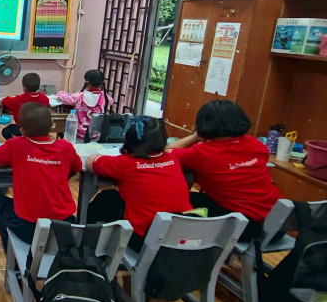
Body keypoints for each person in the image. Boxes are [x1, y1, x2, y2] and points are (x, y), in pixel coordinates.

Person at [166, 100, 281, 241]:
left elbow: (167, 152)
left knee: (176, 200)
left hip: (247, 228)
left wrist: (196, 136)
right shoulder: (256, 143)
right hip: (279, 223)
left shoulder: (202, 152)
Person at [0, 103, 81, 251]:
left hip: (28, 227)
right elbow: (77, 168)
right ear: (52, 123)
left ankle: (12, 251)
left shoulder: (15, 145)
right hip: (63, 226)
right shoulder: (66, 147)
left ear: (22, 130)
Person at [85, 116, 192, 251]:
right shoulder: (173, 159)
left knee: (105, 199)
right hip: (181, 236)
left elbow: (90, 161)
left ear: (129, 140)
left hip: (145, 241)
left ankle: (88, 247)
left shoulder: (126, 164)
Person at [55, 69, 114, 140]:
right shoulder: (105, 96)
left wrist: (61, 93)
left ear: (87, 82)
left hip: (79, 134)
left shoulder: (79, 96)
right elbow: (111, 101)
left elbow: (62, 97)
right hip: (96, 134)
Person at [0, 72, 50, 140]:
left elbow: (3, 101)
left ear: (24, 87)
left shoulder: (17, 100)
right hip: (40, 130)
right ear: (38, 86)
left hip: (23, 129)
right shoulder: (45, 98)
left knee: (6, 131)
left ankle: (20, 142)